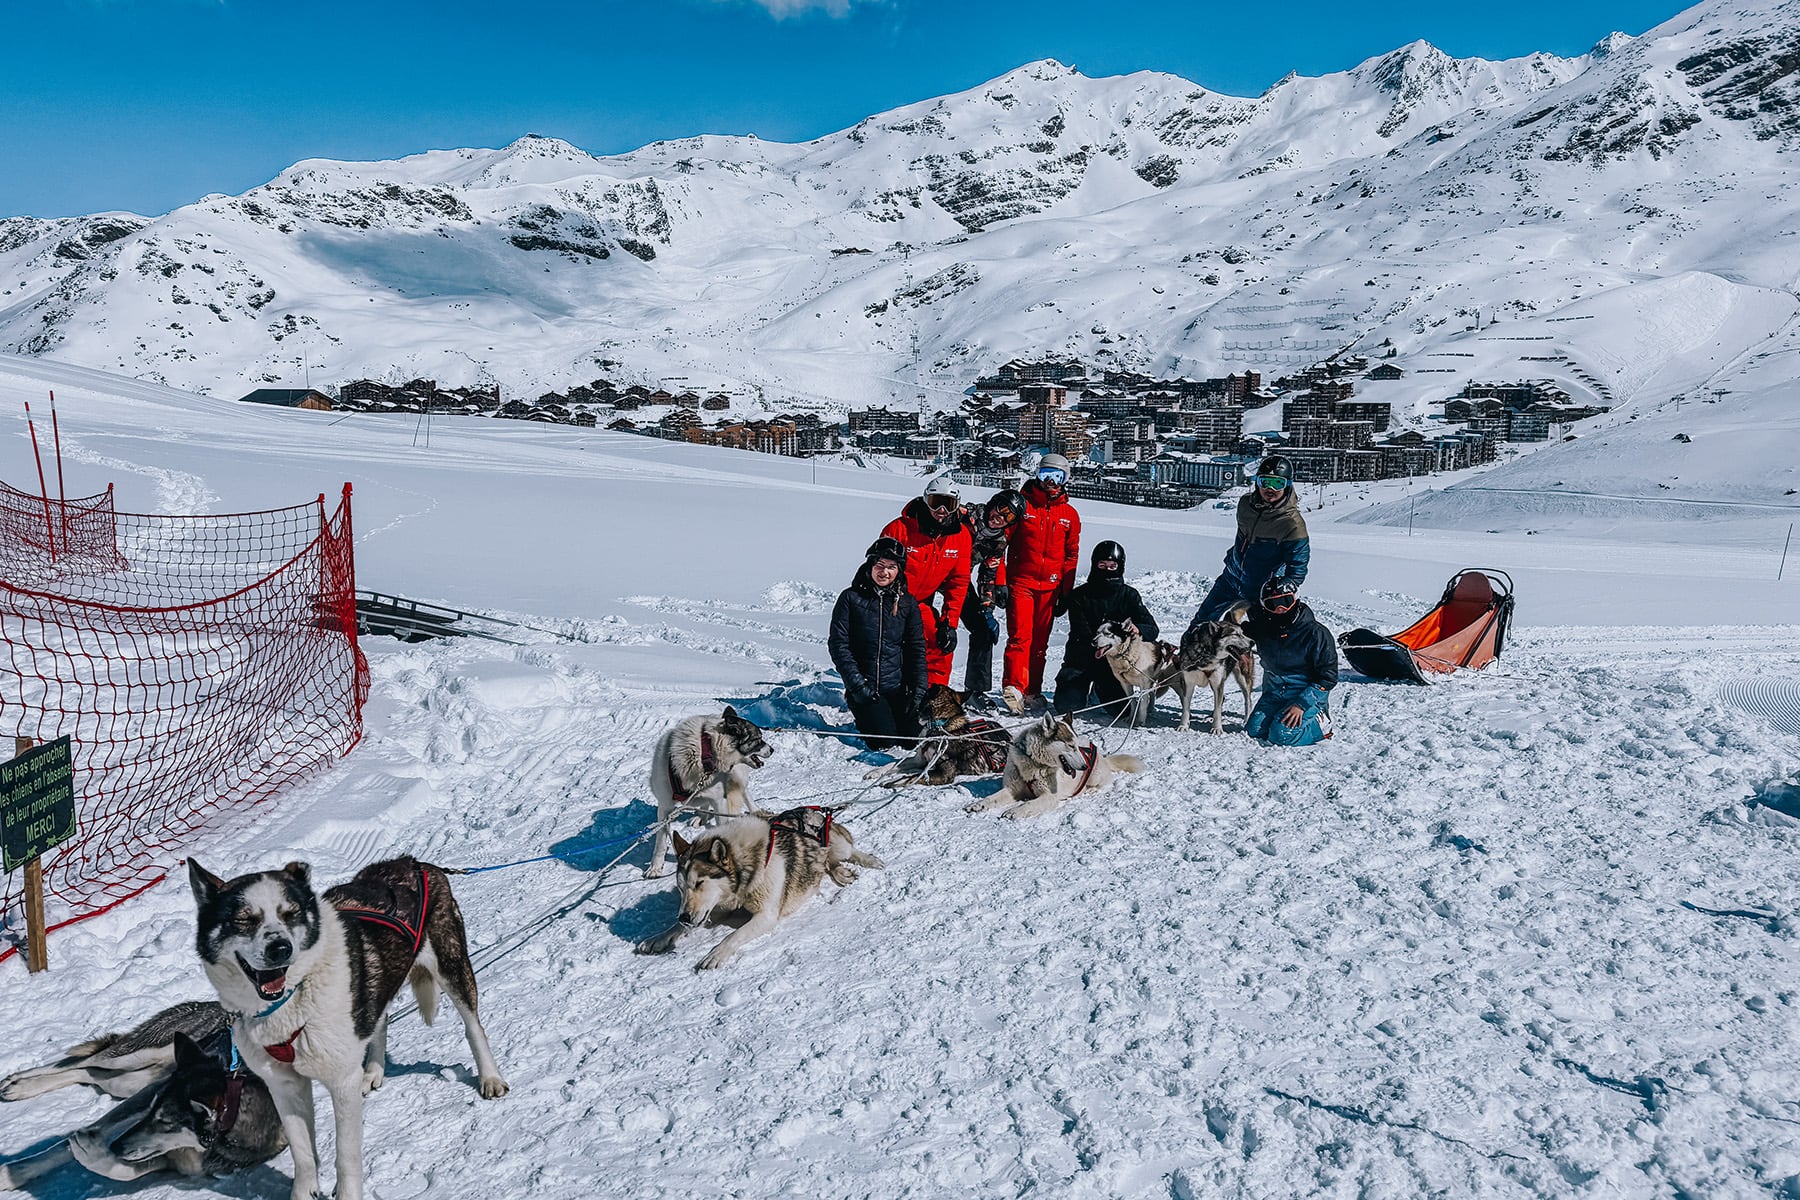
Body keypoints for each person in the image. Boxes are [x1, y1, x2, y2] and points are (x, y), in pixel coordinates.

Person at [1186, 453, 1310, 633]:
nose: (1270, 489)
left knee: (1263, 637)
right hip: (1232, 577)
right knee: (1201, 623)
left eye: (1277, 483)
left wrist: (1280, 588)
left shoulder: (1292, 523)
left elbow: (1298, 567)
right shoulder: (1245, 505)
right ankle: (1187, 658)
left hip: (1260, 589)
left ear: (1288, 486)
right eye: (1265, 482)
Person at [829, 537, 928, 751]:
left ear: (899, 571)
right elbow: (839, 645)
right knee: (884, 741)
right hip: (865, 689)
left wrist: (919, 690)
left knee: (913, 739)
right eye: (879, 566)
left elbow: (916, 648)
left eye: (891, 567)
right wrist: (857, 686)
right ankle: (866, 714)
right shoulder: (850, 598)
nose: (884, 572)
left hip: (897, 688)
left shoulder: (907, 603)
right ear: (870, 565)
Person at [1001, 453, 1081, 714]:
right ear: (1037, 475)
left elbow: (1071, 555)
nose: (1051, 482)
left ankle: (1033, 691)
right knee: (1020, 637)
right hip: (1021, 582)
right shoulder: (1022, 506)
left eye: (1057, 477)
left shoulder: (1069, 514)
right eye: (1046, 475)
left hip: (1050, 587)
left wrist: (1065, 593)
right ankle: (1014, 687)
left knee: (1040, 644)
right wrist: (1001, 580)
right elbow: (1003, 543)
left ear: (1065, 479)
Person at [880, 476, 972, 688]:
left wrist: (949, 624)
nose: (941, 510)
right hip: (889, 601)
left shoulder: (961, 537)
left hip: (919, 604)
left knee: (941, 643)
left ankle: (935, 693)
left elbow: (958, 583)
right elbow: (879, 570)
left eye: (948, 504)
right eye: (935, 502)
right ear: (924, 500)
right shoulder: (899, 529)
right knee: (888, 647)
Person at [1053, 541, 1160, 719]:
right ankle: (1080, 689)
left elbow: (1152, 628)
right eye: (1102, 565)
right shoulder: (1080, 595)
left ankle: (1099, 691)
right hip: (1081, 660)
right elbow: (1082, 632)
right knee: (1067, 707)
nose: (1107, 569)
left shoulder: (1129, 595)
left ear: (1120, 567)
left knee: (1124, 712)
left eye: (1112, 566)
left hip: (1114, 666)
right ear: (1094, 564)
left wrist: (1137, 629)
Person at [1241, 575, 1337, 747]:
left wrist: (1301, 704)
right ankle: (1279, 713)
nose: (1280, 609)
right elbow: (1238, 634)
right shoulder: (1263, 628)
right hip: (1275, 693)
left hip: (1304, 694)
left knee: (1281, 735)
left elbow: (1327, 677)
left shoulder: (1316, 633)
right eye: (1272, 604)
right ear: (1265, 607)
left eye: (1286, 601)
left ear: (1296, 599)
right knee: (1254, 731)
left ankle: (1320, 724)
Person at [957, 488, 1025, 701]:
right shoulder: (963, 516)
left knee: (983, 631)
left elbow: (988, 575)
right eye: (1002, 509)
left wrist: (987, 608)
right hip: (930, 573)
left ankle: (975, 691)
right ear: (993, 503)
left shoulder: (998, 542)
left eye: (1009, 516)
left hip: (958, 581)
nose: (1001, 517)